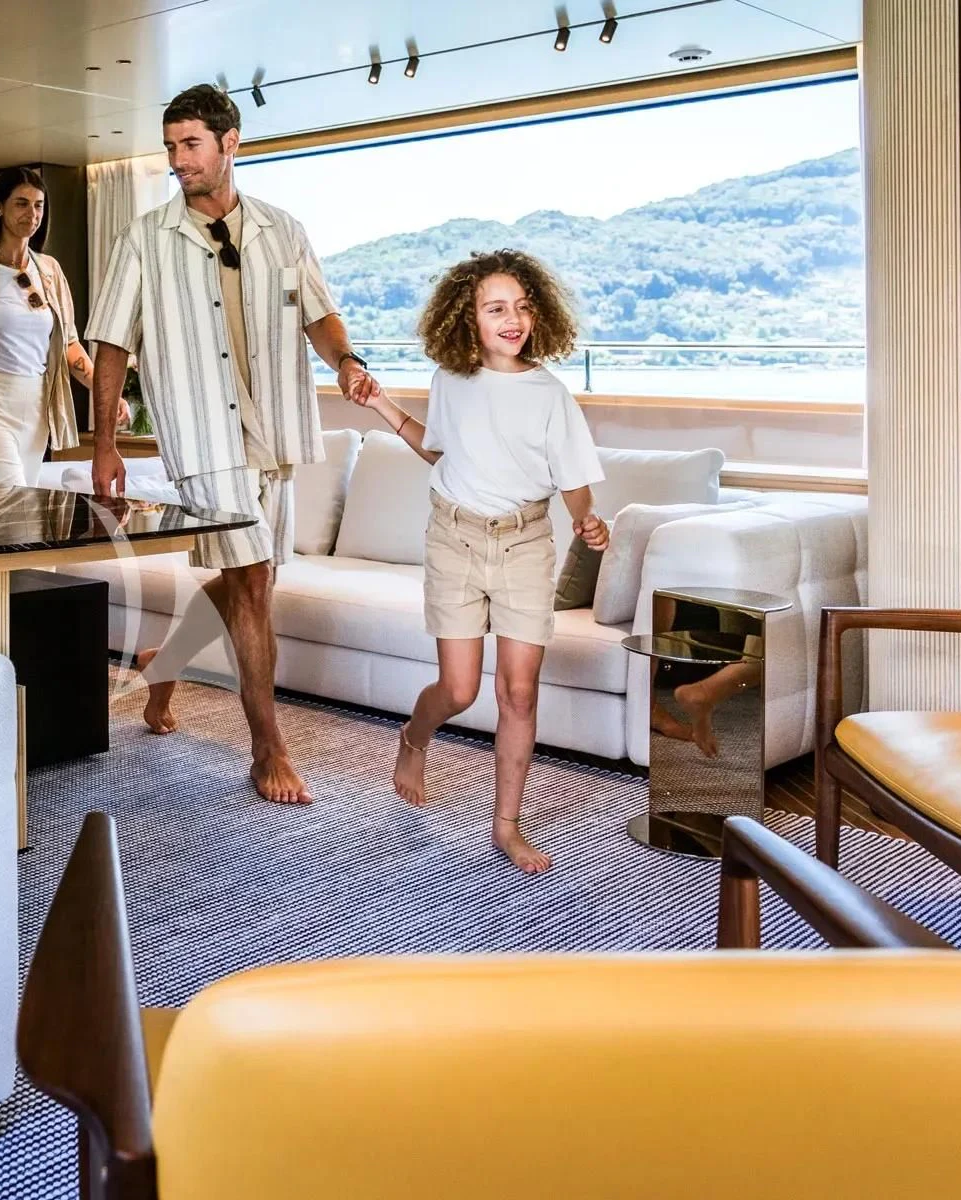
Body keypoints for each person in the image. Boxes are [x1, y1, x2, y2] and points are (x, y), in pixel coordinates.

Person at [86, 84, 383, 805]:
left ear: (231, 143)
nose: (177, 161)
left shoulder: (283, 229)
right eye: (171, 148)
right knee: (252, 583)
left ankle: (161, 664)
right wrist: (105, 443)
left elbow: (320, 314)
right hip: (202, 433)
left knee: (253, 580)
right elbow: (112, 343)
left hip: (274, 432)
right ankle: (266, 751)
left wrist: (348, 362)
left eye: (190, 145)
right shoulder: (144, 239)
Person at [353, 249, 609, 873]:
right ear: (467, 317)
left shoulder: (549, 394)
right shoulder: (452, 380)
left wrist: (587, 519)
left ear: (539, 314)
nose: (512, 319)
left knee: (518, 693)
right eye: (496, 308)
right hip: (455, 540)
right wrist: (381, 405)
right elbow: (437, 449)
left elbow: (573, 477)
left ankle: (506, 824)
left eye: (522, 307)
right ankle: (414, 739)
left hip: (526, 543)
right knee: (461, 690)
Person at [0, 167, 124, 484]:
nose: (32, 214)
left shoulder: (49, 270)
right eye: (21, 203)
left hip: (36, 407)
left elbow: (69, 346)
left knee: (17, 518)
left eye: (38, 205)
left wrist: (106, 393)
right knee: (8, 502)